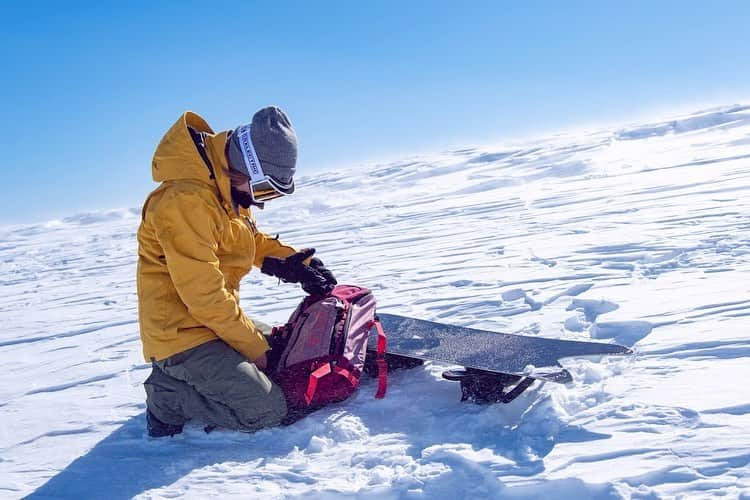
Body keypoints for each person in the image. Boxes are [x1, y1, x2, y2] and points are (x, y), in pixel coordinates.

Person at [137, 106, 336, 437]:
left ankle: (212, 373)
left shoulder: (220, 185)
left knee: (289, 350)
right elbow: (204, 296)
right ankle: (167, 396)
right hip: (181, 336)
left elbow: (246, 239)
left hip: (211, 320)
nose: (262, 201)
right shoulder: (184, 201)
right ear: (245, 171)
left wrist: (292, 262)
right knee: (267, 410)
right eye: (264, 189)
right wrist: (253, 348)